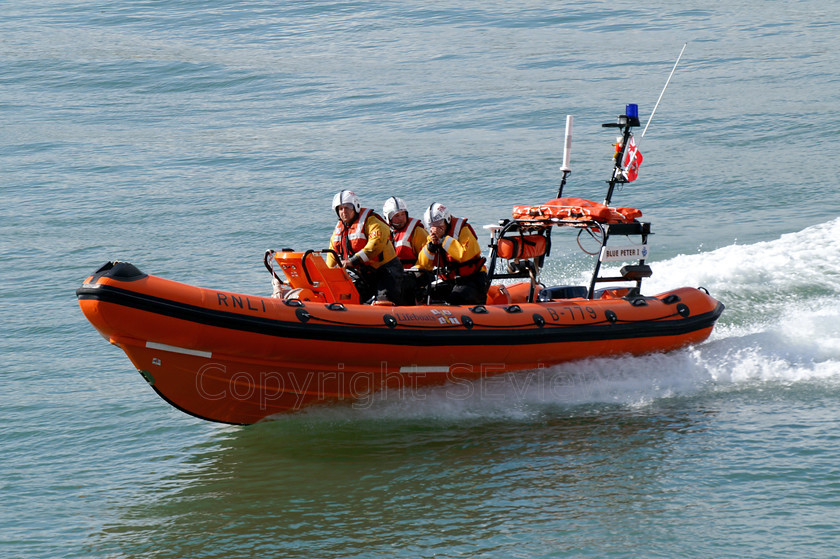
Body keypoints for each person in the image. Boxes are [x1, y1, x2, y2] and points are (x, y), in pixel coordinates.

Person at [327, 190, 403, 304]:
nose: (344, 212)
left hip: (386, 271)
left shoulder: (371, 221)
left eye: (347, 207)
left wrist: (352, 260)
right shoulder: (339, 230)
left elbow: (375, 245)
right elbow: (332, 254)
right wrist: (326, 274)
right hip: (363, 274)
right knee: (348, 296)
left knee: (385, 300)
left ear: (356, 207)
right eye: (340, 209)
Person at [415, 202, 488, 305]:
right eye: (432, 225)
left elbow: (463, 255)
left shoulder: (463, 230)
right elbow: (423, 265)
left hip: (472, 279)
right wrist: (431, 247)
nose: (436, 228)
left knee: (455, 298)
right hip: (449, 281)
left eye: (439, 223)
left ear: (447, 220)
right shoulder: (432, 237)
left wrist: (444, 239)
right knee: (424, 294)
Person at [383, 196, 427, 305]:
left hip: (414, 275)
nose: (401, 218)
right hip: (393, 275)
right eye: (396, 216)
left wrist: (414, 273)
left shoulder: (417, 232)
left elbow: (427, 259)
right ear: (388, 218)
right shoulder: (384, 233)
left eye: (403, 214)